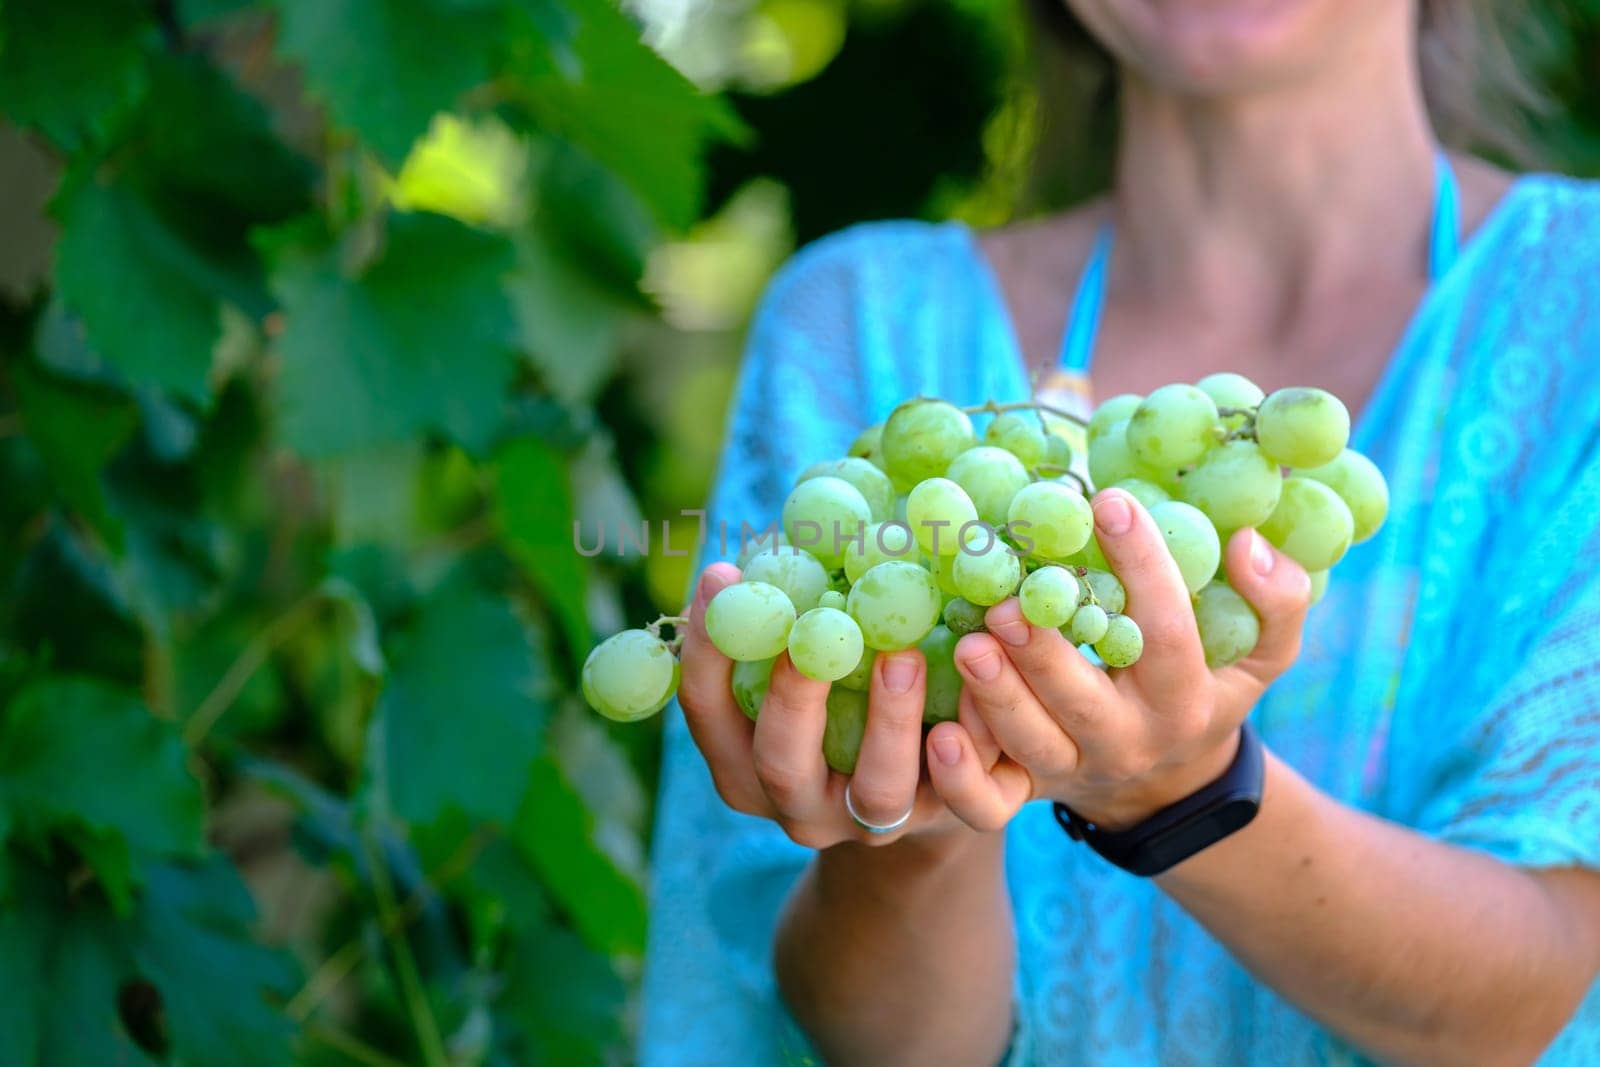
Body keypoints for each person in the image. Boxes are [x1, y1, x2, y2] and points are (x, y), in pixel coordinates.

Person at [640, 1, 1600, 1063]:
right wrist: (910, 829)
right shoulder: (855, 321)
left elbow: (1531, 999)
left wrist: (1184, 793)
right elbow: (891, 1046)